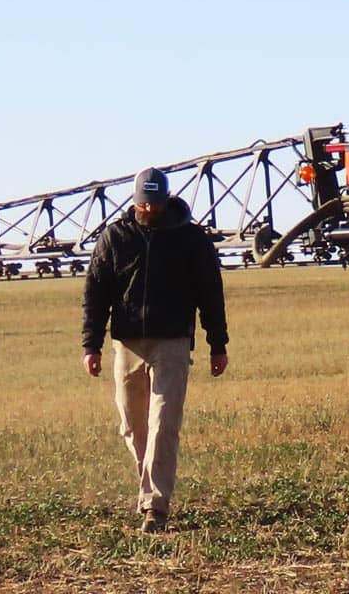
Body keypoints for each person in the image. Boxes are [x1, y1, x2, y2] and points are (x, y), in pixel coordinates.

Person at [80, 167, 229, 534]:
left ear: (166, 200)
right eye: (144, 204)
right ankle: (148, 488)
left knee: (163, 424)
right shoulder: (115, 237)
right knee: (132, 427)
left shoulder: (191, 239)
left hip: (173, 342)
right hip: (127, 343)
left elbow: (211, 293)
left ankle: (155, 507)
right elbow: (95, 293)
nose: (150, 210)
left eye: (155, 203)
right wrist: (91, 345)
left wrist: (218, 344)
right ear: (135, 201)